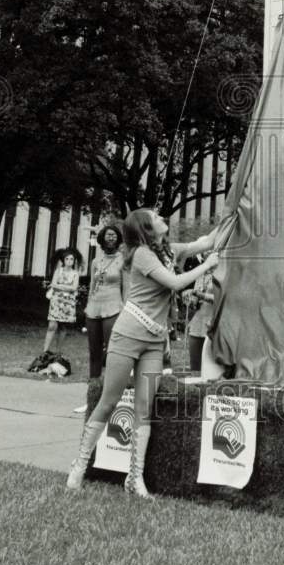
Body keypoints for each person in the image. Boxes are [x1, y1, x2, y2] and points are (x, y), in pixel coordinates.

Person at [66, 209, 218, 495]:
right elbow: (174, 283)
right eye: (156, 217)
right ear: (147, 229)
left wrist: (233, 215)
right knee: (109, 401)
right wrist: (207, 266)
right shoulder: (141, 255)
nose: (162, 218)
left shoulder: (169, 251)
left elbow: (206, 241)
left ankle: (134, 478)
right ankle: (79, 465)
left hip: (154, 340)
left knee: (144, 408)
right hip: (128, 334)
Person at [84, 224, 128, 380]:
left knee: (112, 350)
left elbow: (126, 287)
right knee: (94, 350)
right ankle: (93, 384)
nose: (111, 237)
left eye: (114, 235)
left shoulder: (123, 260)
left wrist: (124, 308)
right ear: (102, 238)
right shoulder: (96, 261)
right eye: (108, 235)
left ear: (118, 239)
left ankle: (111, 386)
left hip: (114, 307)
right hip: (94, 307)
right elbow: (91, 286)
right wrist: (88, 306)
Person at [44, 248, 82, 356]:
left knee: (63, 327)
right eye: (67, 259)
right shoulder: (58, 271)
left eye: (72, 259)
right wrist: (66, 287)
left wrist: (60, 286)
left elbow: (74, 288)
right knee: (52, 325)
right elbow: (53, 284)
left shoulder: (75, 274)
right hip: (56, 300)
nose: (70, 261)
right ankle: (45, 351)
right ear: (63, 260)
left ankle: (58, 352)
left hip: (68, 302)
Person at [186, 260, 216, 370]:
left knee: (212, 368)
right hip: (197, 323)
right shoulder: (201, 273)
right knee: (195, 367)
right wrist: (191, 300)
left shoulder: (225, 272)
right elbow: (195, 296)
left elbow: (223, 299)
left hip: (215, 324)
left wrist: (199, 295)